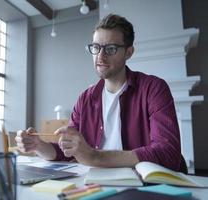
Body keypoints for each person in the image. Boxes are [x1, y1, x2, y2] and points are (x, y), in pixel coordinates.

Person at [15, 14, 183, 172]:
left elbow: (168, 153)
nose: (100, 57)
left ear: (129, 52)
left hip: (140, 184)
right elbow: (68, 147)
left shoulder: (154, 89)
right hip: (95, 181)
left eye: (110, 49)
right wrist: (38, 145)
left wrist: (94, 157)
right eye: (96, 47)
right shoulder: (85, 98)